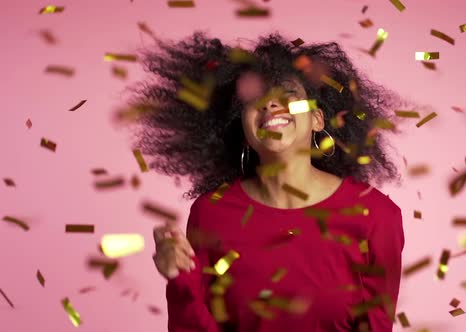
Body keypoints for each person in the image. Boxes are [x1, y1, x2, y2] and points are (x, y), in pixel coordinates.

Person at [129, 32, 405, 332]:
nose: (271, 105)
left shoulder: (375, 215)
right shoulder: (211, 213)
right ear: (244, 130)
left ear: (316, 119)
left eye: (288, 95)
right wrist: (181, 279)